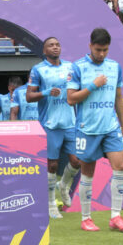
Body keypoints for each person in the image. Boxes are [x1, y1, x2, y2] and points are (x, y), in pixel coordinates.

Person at [66, 28, 123, 232]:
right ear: (90, 46)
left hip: (111, 127)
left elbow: (118, 97)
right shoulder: (78, 67)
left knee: (120, 166)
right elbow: (70, 99)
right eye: (98, 49)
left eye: (105, 50)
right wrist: (93, 85)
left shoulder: (114, 67)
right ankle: (86, 218)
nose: (101, 54)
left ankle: (116, 217)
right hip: (88, 128)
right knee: (88, 172)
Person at [26, 37, 81, 219]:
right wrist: (46, 92)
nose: (55, 47)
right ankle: (50, 204)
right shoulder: (38, 69)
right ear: (44, 51)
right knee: (52, 165)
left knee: (77, 161)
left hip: (70, 122)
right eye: (51, 45)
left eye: (57, 44)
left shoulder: (70, 67)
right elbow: (29, 96)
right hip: (50, 123)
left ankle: (63, 185)